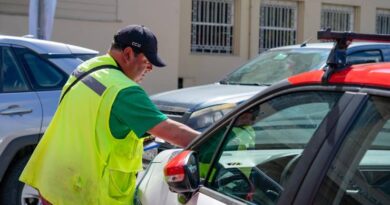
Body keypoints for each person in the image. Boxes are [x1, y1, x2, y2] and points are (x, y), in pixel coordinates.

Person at [19, 24, 200, 205]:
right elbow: (173, 132)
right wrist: (214, 142)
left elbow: (93, 122)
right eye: (147, 61)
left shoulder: (85, 69)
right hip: (84, 193)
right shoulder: (124, 90)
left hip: (55, 183)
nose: (150, 68)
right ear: (128, 54)